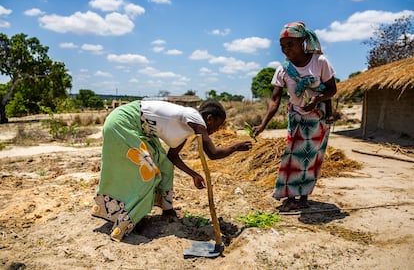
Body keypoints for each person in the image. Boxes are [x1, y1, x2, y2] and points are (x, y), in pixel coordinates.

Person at [92, 99, 252, 241]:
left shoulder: (186, 127)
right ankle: (129, 218)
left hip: (141, 129)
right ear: (210, 119)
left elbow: (172, 157)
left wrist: (193, 175)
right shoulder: (196, 120)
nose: (218, 130)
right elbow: (213, 154)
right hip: (123, 122)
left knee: (165, 165)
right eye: (218, 125)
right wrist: (236, 147)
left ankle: (167, 210)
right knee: (148, 171)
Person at [253, 21, 337, 212]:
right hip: (296, 117)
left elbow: (332, 89)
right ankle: (290, 197)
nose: (285, 50)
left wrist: (316, 100)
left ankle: (303, 197)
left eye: (290, 44)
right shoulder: (283, 70)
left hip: (317, 118)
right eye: (282, 46)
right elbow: (274, 101)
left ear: (302, 42)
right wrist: (263, 124)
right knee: (291, 157)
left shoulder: (320, 62)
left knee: (309, 158)